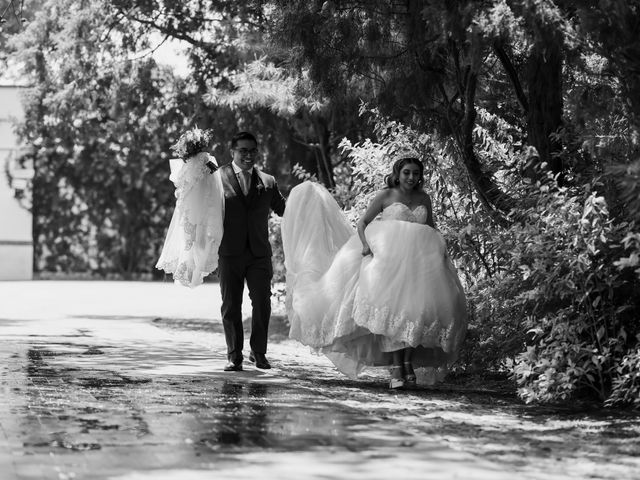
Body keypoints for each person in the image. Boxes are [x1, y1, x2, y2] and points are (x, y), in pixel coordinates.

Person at [282, 148, 467, 389]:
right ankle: (396, 369)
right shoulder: (386, 195)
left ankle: (408, 364)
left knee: (414, 312)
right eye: (407, 173)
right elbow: (362, 223)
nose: (411, 177)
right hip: (387, 262)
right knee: (389, 311)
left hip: (419, 265)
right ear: (398, 174)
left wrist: (440, 251)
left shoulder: (424, 199)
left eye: (416, 174)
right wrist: (367, 246)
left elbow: (430, 227)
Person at [217, 131, 286, 372]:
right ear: (232, 152)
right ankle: (234, 355)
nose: (248, 155)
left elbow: (283, 209)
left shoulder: (268, 181)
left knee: (262, 302)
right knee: (231, 305)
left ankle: (259, 353)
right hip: (229, 251)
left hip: (259, 253)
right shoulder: (217, 178)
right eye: (243, 151)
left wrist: (306, 203)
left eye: (252, 150)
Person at [156, 127, 224, 288]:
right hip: (205, 206)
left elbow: (182, 187)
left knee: (193, 239)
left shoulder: (197, 163)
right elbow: (217, 180)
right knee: (200, 239)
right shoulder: (207, 160)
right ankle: (196, 266)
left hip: (194, 208)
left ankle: (194, 266)